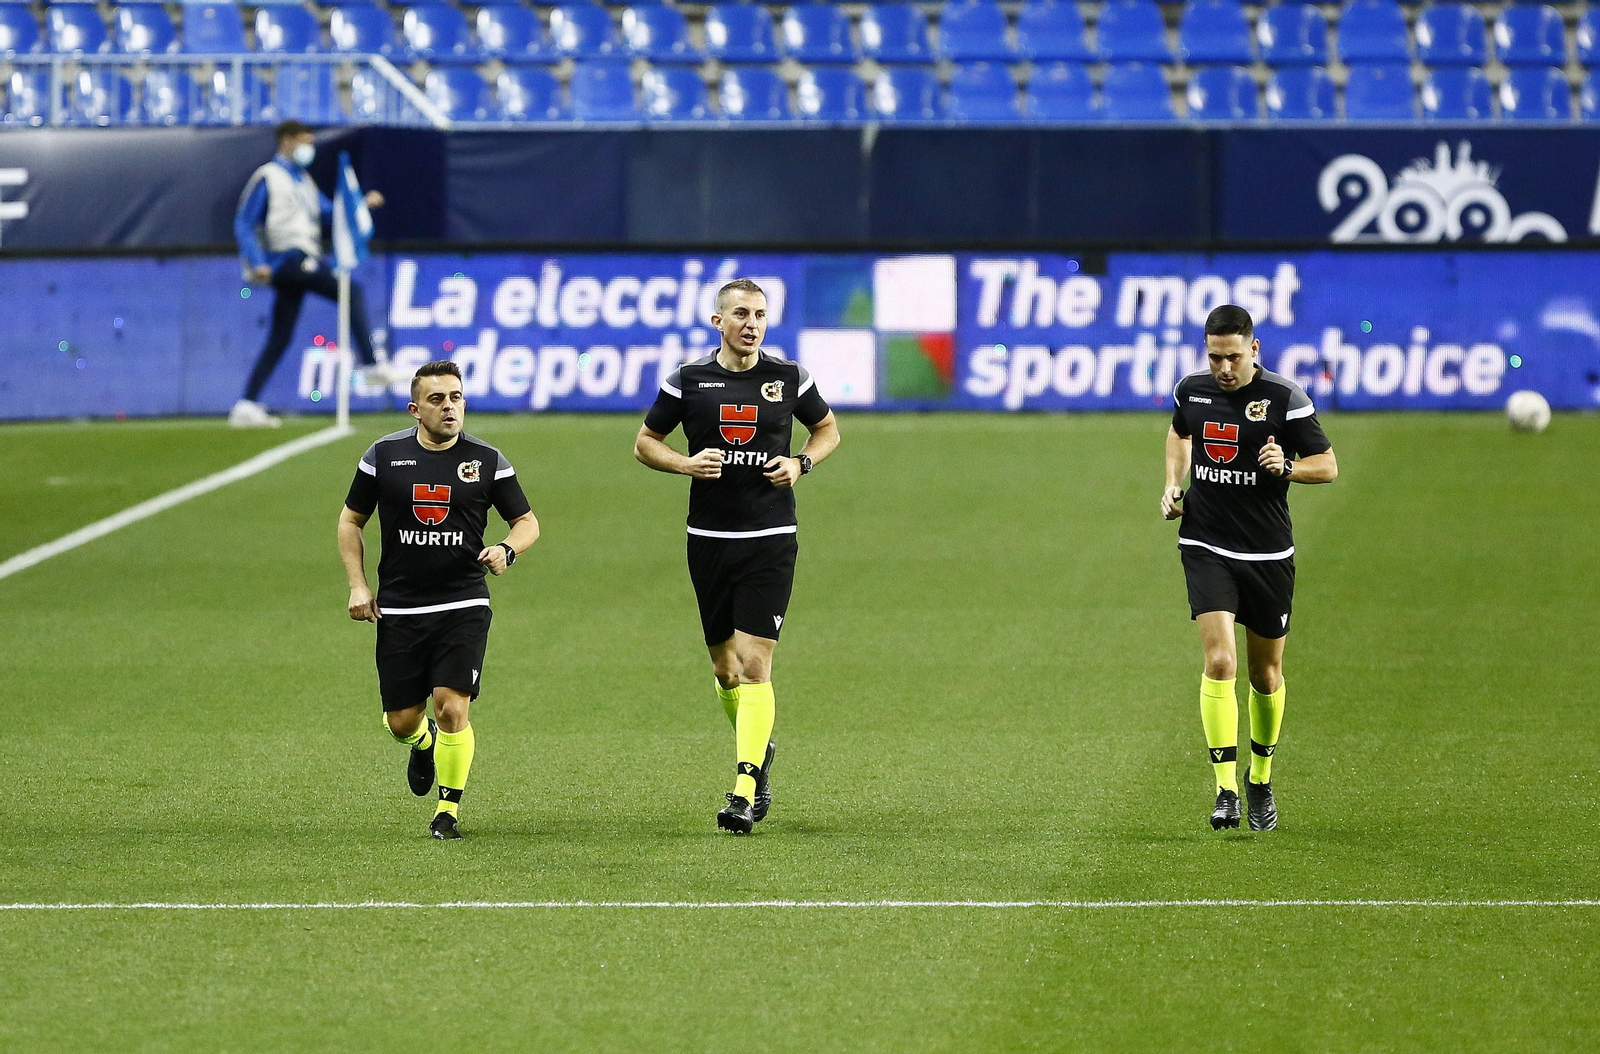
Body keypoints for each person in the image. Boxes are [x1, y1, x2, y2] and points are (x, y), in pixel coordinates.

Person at [634, 279, 841, 834]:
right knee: (726, 671)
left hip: (771, 537)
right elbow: (645, 442)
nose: (752, 323)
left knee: (754, 662)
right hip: (708, 538)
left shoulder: (788, 377)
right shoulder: (689, 381)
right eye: (742, 314)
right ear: (717, 321)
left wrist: (802, 465)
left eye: (761, 315)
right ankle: (759, 746)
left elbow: (827, 430)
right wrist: (685, 464)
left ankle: (746, 787)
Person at [338, 360, 540, 840]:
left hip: (463, 603)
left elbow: (527, 521)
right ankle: (421, 742)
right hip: (401, 607)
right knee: (401, 720)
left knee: (453, 706)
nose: (449, 407)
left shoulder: (488, 460)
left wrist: (508, 549)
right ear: (414, 409)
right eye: (437, 399)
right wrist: (358, 585)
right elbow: (350, 521)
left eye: (456, 397)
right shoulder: (382, 457)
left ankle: (447, 812)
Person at [1162, 305, 1338, 832]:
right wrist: (1173, 484)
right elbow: (1178, 433)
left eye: (1233, 356)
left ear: (1254, 350)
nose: (1223, 368)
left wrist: (1286, 467)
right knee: (1220, 663)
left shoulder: (1285, 399)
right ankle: (1225, 792)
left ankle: (1260, 779)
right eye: (1215, 357)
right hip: (1205, 542)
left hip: (1266, 555)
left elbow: (1327, 465)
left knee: (1265, 674)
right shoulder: (1190, 391)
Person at [232, 120, 393, 428]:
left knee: (280, 337)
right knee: (351, 291)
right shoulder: (269, 176)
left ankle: (246, 403)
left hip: (301, 260)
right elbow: (244, 222)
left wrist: (360, 204)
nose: (309, 149)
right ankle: (372, 364)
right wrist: (258, 261)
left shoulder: (302, 180)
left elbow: (330, 210)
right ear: (287, 140)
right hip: (287, 259)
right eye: (304, 142)